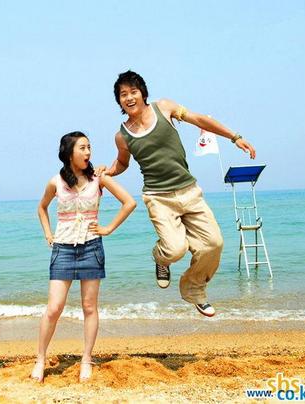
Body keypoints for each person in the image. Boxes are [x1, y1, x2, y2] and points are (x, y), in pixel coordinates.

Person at [102, 70, 256, 317]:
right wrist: (108, 172)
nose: (129, 97)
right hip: (158, 197)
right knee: (175, 250)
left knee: (213, 244)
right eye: (123, 94)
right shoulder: (122, 136)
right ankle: (161, 259)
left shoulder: (164, 108)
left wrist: (234, 137)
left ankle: (194, 289)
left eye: (133, 91)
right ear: (119, 101)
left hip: (189, 191)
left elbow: (199, 119)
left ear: (143, 93)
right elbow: (122, 162)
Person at [31, 132, 136, 383]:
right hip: (63, 249)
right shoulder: (56, 182)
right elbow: (42, 207)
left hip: (91, 247)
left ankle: (86, 360)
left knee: (89, 307)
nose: (88, 152)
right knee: (54, 308)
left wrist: (108, 229)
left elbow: (129, 203)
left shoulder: (99, 178)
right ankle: (40, 359)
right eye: (82, 148)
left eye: (89, 147)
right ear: (69, 153)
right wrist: (48, 233)